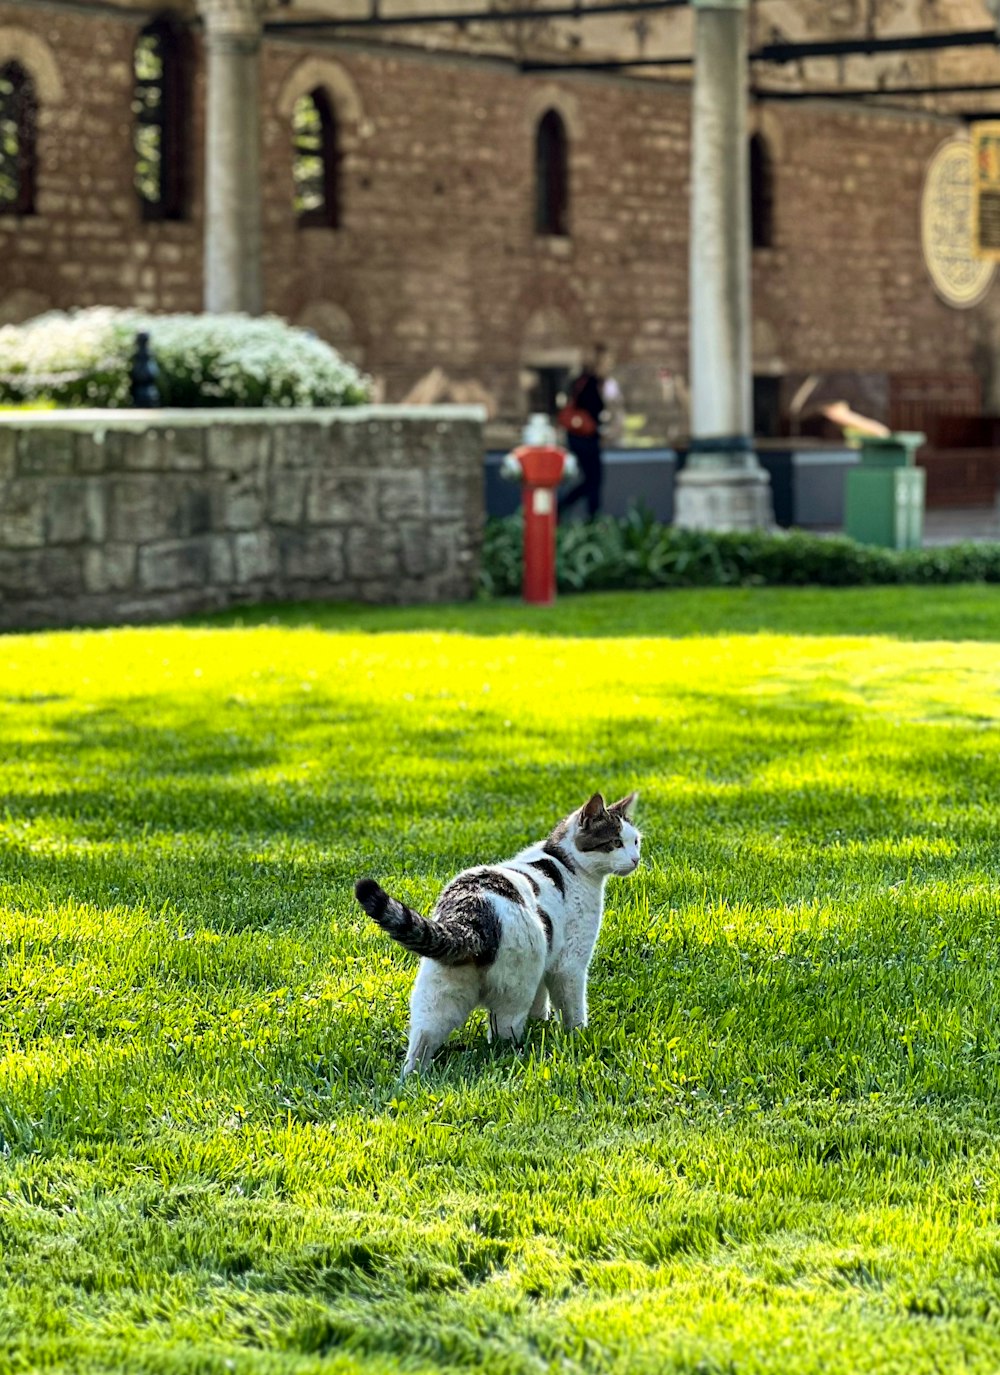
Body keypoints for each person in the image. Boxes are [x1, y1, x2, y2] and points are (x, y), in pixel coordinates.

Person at [558, 345, 609, 521]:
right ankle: (588, 516)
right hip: (584, 438)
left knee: (591, 479)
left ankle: (584, 513)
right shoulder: (589, 382)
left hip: (580, 438)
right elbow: (595, 408)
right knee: (593, 480)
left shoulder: (579, 381)